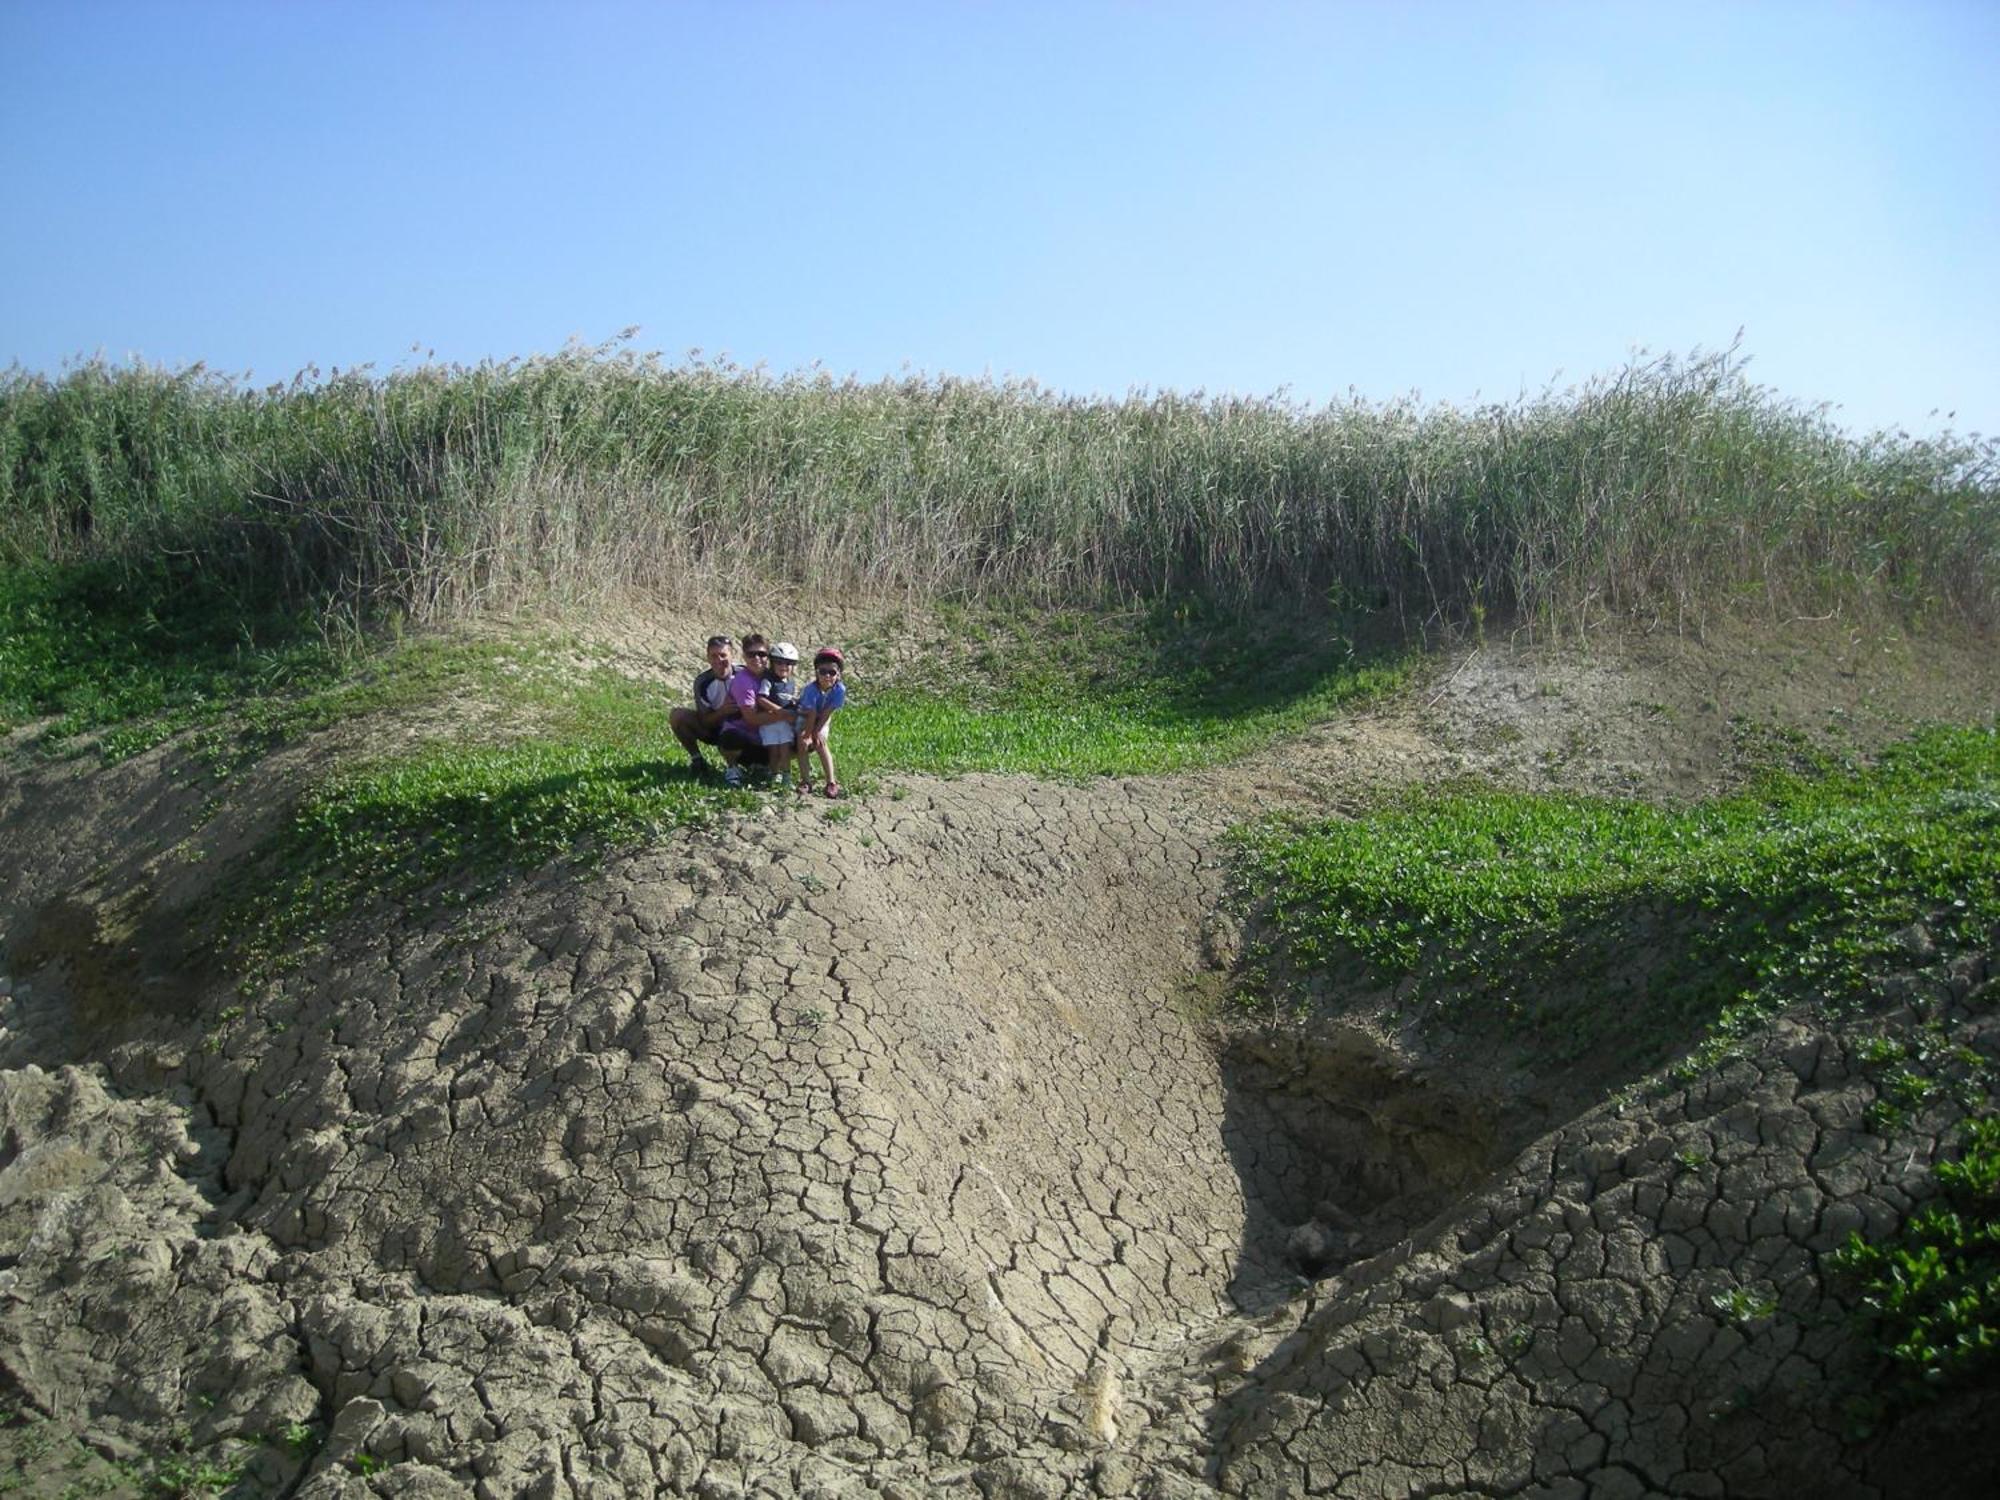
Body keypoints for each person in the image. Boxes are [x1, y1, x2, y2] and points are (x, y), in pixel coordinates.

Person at [718, 633, 786, 787]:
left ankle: (773, 768)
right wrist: (785, 715)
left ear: (768, 657)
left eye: (761, 654)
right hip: (743, 736)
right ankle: (732, 767)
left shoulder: (774, 677)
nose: (756, 658)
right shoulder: (742, 681)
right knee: (730, 738)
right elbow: (751, 718)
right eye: (751, 654)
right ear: (744, 656)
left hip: (767, 736)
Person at [669, 634, 736, 776]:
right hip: (715, 728)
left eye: (723, 655)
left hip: (742, 728)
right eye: (714, 656)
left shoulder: (744, 675)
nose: (719, 660)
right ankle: (697, 759)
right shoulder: (702, 682)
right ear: (708, 658)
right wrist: (723, 711)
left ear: (732, 655)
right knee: (677, 716)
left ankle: (758, 763)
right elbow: (705, 720)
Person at [796, 647, 847, 798]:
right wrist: (808, 735)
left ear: (838, 674)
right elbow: (810, 713)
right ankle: (806, 781)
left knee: (820, 742)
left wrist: (817, 732)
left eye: (832, 672)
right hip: (806, 715)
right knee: (802, 742)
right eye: (823, 671)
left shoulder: (839, 690)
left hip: (822, 717)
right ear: (816, 673)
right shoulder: (810, 690)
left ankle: (831, 782)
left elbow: (828, 712)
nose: (827, 676)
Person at [757, 642, 804, 788]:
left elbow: (790, 699)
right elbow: (761, 698)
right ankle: (774, 773)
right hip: (770, 721)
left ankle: (786, 775)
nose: (784, 667)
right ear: (772, 663)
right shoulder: (769, 680)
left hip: (785, 723)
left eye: (788, 664)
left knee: (785, 749)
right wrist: (778, 710)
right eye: (779, 663)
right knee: (773, 750)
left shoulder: (791, 683)